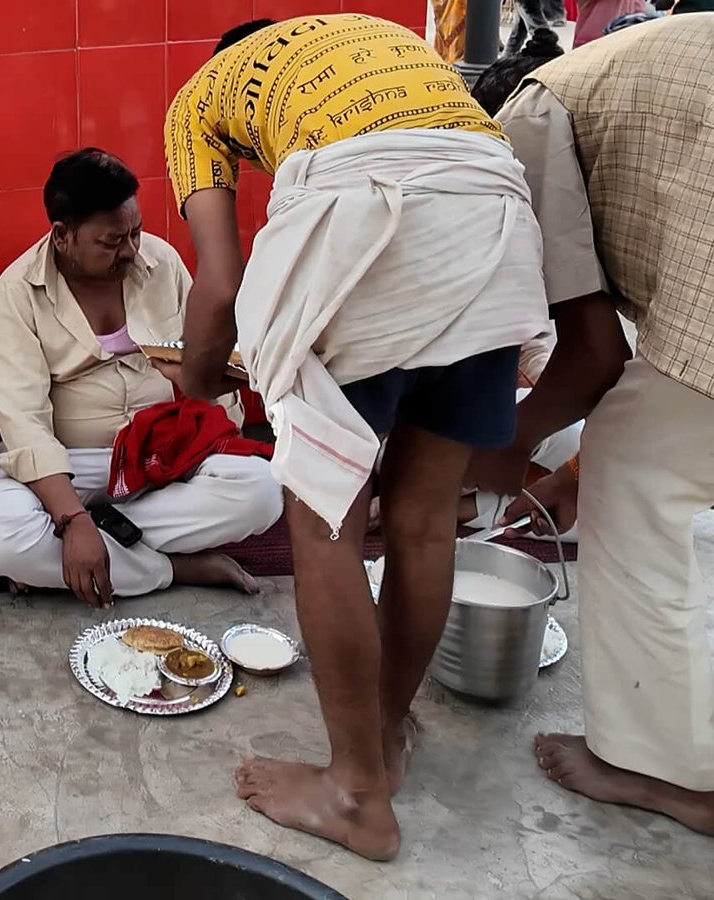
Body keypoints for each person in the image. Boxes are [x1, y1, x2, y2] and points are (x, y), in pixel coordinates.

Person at [164, 15, 549, 859]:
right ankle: (384, 732)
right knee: (424, 520)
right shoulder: (372, 36)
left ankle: (355, 796)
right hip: (495, 226)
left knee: (325, 522)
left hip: (366, 220)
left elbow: (220, 285)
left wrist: (197, 383)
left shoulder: (200, 99)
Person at [480, 12, 714, 835]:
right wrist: (571, 475)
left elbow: (594, 355)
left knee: (637, 471)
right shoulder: (605, 79)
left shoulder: (524, 124)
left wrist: (504, 444)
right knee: (641, 449)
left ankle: (669, 773)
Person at [0, 149, 281, 607]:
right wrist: (70, 516)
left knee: (262, 492)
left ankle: (86, 546)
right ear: (62, 235)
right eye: (112, 241)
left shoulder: (161, 262)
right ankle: (173, 568)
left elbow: (209, 360)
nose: (130, 250)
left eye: (135, 232)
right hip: (69, 462)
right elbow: (23, 424)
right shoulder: (18, 291)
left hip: (162, 456)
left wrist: (221, 429)